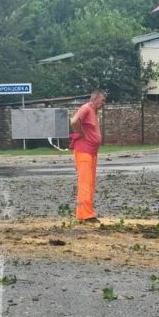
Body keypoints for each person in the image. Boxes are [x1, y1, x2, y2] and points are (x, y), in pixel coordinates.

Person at [69, 89, 106, 224]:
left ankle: (83, 214)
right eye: (102, 100)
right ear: (94, 99)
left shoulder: (93, 112)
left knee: (89, 184)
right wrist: (81, 134)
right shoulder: (86, 108)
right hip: (84, 151)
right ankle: (86, 215)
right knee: (85, 183)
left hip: (91, 152)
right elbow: (74, 122)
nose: (103, 103)